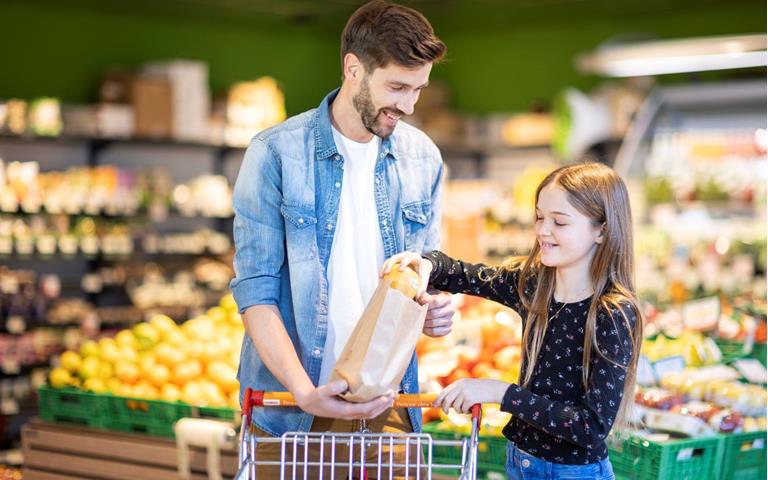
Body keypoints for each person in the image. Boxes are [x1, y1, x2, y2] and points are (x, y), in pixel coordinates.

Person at [229, 0, 454, 476]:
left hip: (390, 406)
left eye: (418, 89)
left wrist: (432, 308)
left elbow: (425, 272)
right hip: (291, 404)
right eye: (397, 86)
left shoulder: (423, 159)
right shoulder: (274, 154)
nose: (409, 105)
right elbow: (257, 292)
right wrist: (304, 392)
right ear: (354, 69)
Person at [382, 162, 642, 480]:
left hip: (575, 473)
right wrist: (426, 263)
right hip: (519, 462)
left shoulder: (612, 313)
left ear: (601, 230)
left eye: (559, 222)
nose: (543, 231)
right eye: (539, 217)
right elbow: (465, 274)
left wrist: (500, 392)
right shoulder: (533, 285)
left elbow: (590, 427)